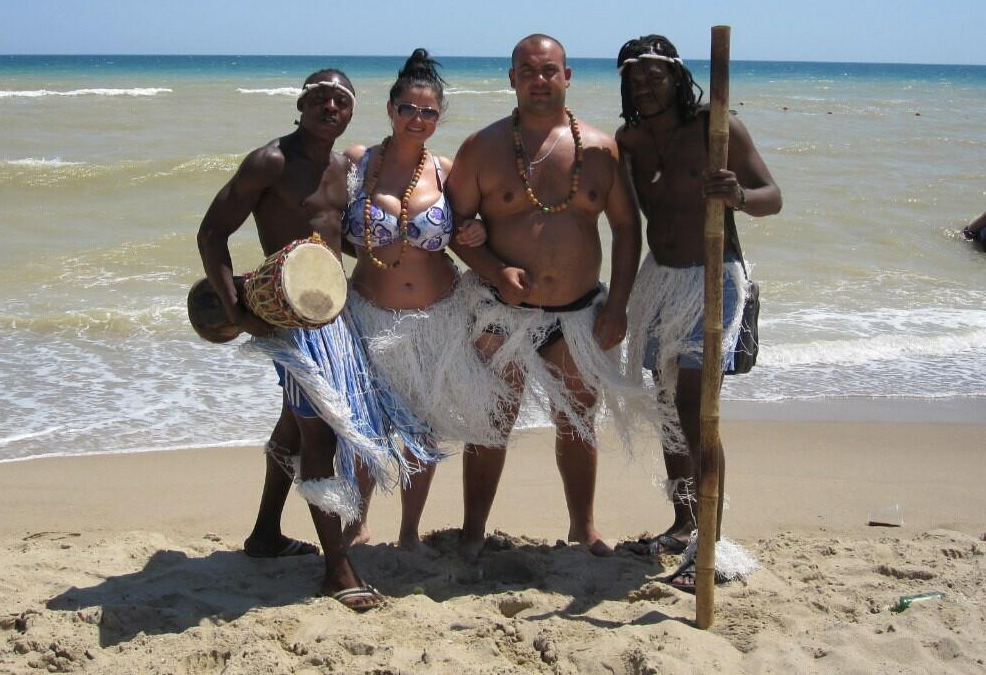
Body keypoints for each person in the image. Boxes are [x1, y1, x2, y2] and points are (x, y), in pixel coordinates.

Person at [197, 69, 432, 612]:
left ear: (351, 112)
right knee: (320, 434)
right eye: (320, 99)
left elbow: (336, 239)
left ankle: (265, 535)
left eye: (341, 101)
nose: (331, 107)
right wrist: (237, 312)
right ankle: (336, 571)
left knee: (294, 425)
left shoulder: (343, 169)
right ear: (301, 105)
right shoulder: (270, 162)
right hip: (291, 325)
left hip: (334, 316)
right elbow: (212, 232)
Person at [446, 33, 661, 562]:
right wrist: (495, 271)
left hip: (579, 313)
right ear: (512, 79)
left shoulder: (600, 149)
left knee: (578, 420)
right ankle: (473, 531)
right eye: (527, 70)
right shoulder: (482, 147)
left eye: (549, 70)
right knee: (492, 419)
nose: (538, 79)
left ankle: (583, 527)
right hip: (503, 312)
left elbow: (627, 228)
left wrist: (618, 305)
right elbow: (452, 226)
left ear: (567, 76)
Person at [615, 34, 782, 590]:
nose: (645, 87)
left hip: (712, 278)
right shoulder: (629, 140)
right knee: (667, 407)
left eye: (655, 77)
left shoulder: (717, 128)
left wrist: (738, 196)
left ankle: (709, 539)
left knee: (695, 409)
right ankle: (684, 522)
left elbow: (772, 196)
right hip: (659, 279)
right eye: (635, 80)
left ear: (677, 77)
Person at [341, 49, 508, 554]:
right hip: (369, 314)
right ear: (390, 109)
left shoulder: (446, 170)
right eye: (408, 108)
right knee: (365, 424)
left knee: (423, 428)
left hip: (439, 317)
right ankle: (356, 523)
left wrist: (478, 231)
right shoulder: (358, 161)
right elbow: (322, 220)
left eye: (429, 111)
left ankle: (410, 531)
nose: (418, 118)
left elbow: (478, 226)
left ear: (439, 118)